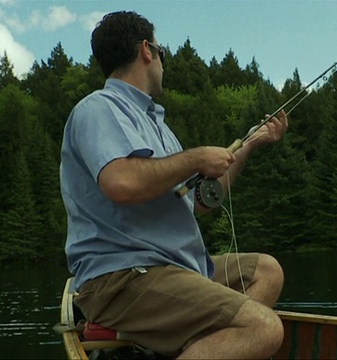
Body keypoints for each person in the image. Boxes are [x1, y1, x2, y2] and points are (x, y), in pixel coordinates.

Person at [60, 10, 288, 359]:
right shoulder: (98, 109)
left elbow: (197, 201)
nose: (163, 62)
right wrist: (195, 158)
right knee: (263, 327)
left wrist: (250, 144)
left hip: (178, 270)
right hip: (124, 278)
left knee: (267, 272)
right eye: (161, 53)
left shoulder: (158, 126)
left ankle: (198, 346)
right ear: (147, 51)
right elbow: (121, 183)